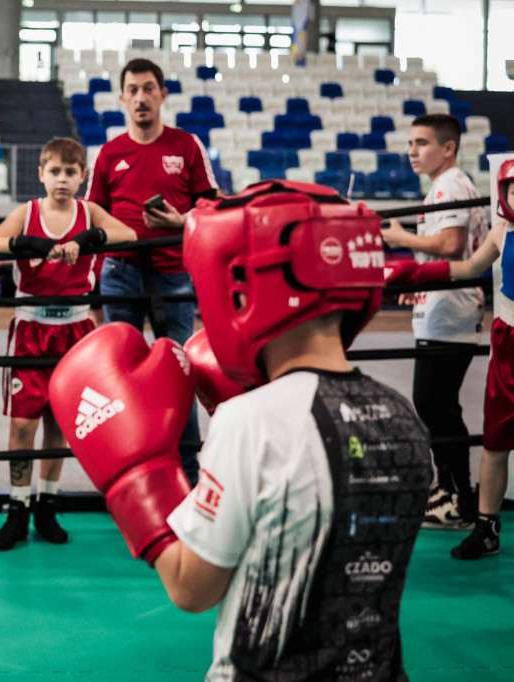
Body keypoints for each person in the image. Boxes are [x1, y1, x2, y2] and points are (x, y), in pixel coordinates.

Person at [50, 181, 433, 680]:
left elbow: (192, 588)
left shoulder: (252, 422)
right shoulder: (403, 415)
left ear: (243, 290)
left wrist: (137, 476)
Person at [0, 137, 136, 551]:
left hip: (76, 331)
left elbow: (128, 233)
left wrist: (87, 240)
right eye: (55, 171)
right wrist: (27, 244)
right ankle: (17, 508)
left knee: (60, 423)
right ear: (41, 174)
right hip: (31, 328)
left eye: (70, 172)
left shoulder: (88, 212)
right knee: (23, 423)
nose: (62, 179)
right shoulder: (26, 212)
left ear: (82, 176)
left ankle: (46, 504)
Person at [86, 57, 219, 486]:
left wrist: (181, 222)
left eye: (149, 88)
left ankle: (190, 478)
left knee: (179, 374)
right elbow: (94, 218)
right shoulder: (109, 153)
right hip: (120, 273)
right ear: (123, 98)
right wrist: (93, 290)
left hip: (174, 275)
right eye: (133, 89)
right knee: (120, 377)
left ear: (162, 94)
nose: (141, 97)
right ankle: (131, 476)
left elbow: (212, 208)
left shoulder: (187, 146)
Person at [386, 159, 514, 560]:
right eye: (513, 188)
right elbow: (468, 267)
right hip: (508, 343)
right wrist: (420, 273)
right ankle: (486, 526)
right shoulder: (501, 231)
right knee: (495, 441)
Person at [381, 113, 487, 530]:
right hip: (441, 308)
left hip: (451, 312)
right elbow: (446, 252)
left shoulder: (451, 184)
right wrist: (418, 284)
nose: (412, 151)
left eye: (422, 143)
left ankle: (458, 498)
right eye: (410, 143)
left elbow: (451, 244)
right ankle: (451, 491)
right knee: (438, 406)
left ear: (449, 148)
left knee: (434, 405)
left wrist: (401, 238)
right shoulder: (445, 186)